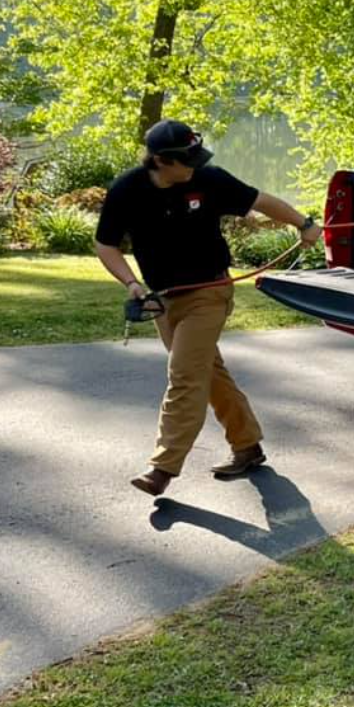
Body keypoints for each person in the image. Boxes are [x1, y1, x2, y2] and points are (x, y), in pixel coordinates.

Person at [94, 119, 321, 497]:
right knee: (207, 372)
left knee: (184, 374)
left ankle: (162, 467)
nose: (195, 165)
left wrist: (305, 223)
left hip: (210, 292)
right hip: (163, 298)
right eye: (187, 160)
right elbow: (106, 244)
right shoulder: (127, 190)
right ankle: (247, 445)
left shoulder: (209, 180)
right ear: (160, 161)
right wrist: (131, 284)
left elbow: (261, 200)